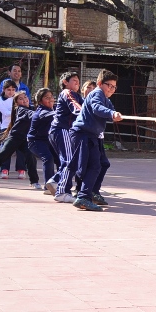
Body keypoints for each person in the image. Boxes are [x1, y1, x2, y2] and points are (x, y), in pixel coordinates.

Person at [70, 71, 122, 211]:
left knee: (103, 164)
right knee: (92, 166)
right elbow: (97, 108)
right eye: (108, 85)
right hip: (83, 134)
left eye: (114, 87)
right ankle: (83, 197)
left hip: (93, 135)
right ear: (100, 84)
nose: (111, 89)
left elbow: (108, 110)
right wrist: (111, 114)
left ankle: (92, 191)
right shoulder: (96, 94)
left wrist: (114, 115)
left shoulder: (106, 99)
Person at [0, 90, 41, 187]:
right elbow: (32, 114)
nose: (24, 100)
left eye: (25, 97)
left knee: (30, 157)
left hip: (26, 139)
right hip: (15, 137)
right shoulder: (20, 109)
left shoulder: (33, 108)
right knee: (1, 155)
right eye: (21, 99)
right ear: (16, 102)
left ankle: (34, 182)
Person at [50, 71, 84, 204]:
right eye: (74, 80)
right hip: (61, 130)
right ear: (65, 82)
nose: (77, 83)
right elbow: (77, 108)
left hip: (63, 131)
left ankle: (54, 181)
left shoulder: (77, 95)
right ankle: (62, 192)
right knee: (69, 160)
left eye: (78, 80)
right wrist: (87, 113)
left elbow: (85, 105)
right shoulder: (67, 93)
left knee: (69, 160)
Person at [28, 88, 58, 193]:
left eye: (51, 97)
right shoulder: (42, 111)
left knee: (61, 159)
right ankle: (48, 187)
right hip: (35, 141)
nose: (50, 99)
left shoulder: (53, 108)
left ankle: (60, 183)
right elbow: (51, 115)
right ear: (40, 101)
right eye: (47, 98)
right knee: (48, 158)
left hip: (48, 141)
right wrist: (61, 113)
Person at [0, 80, 17, 179]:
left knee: (22, 149)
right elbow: (6, 113)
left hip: (17, 125)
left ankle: (22, 169)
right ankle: (4, 169)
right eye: (8, 90)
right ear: (4, 90)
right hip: (5, 127)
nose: (11, 92)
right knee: (5, 149)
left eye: (13, 90)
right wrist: (16, 110)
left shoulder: (16, 98)